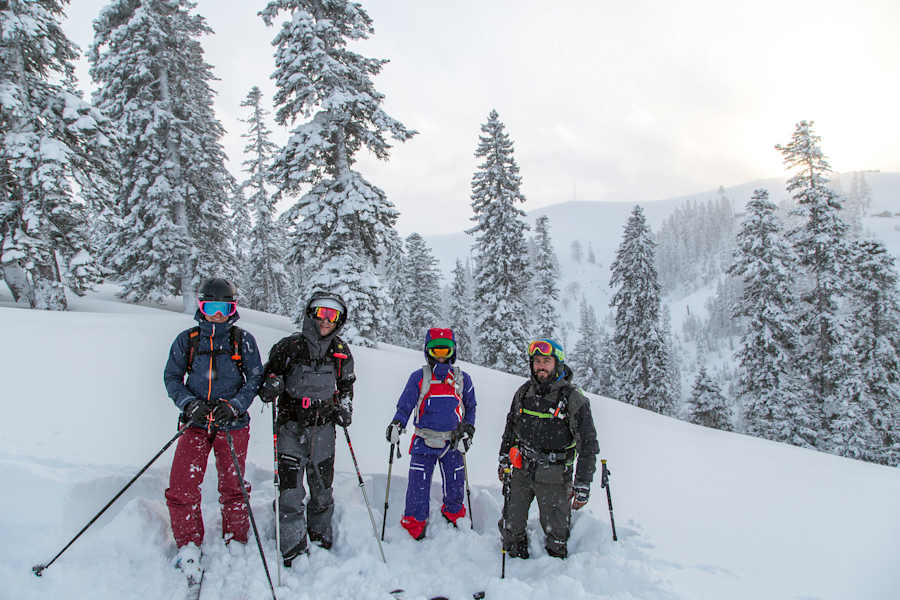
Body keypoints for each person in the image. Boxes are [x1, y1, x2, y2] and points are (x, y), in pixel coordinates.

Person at [163, 278, 264, 580]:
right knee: (182, 486)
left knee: (233, 485)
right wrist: (188, 403)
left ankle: (236, 538)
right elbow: (172, 377)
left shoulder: (242, 340)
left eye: (224, 308)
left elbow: (255, 379)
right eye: (211, 308)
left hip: (232, 424)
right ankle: (189, 544)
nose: (217, 314)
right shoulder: (189, 340)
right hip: (195, 423)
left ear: (232, 309)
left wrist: (234, 406)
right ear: (201, 307)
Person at [258, 292, 355, 566]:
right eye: (322, 313)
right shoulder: (289, 347)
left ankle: (319, 533)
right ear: (311, 314)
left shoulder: (340, 351)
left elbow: (346, 385)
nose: (326, 321)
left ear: (339, 320)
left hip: (323, 427)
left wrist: (345, 407)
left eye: (333, 316)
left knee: (322, 486)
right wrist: (272, 386)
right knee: (290, 489)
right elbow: (268, 379)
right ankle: (292, 543)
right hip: (291, 426)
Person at [498, 337, 599, 559]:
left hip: (555, 474)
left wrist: (583, 482)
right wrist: (504, 456)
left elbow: (588, 444)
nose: (540, 366)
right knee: (511, 527)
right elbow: (511, 427)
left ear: (557, 363)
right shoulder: (524, 393)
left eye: (546, 361)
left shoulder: (572, 399)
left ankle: (554, 572)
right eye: (537, 362)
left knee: (557, 536)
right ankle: (517, 562)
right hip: (522, 469)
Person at [386, 328, 477, 540]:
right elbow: (405, 406)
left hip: (452, 442)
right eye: (436, 351)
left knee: (456, 485)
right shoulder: (419, 377)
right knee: (417, 487)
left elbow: (471, 407)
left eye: (446, 350)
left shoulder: (462, 379)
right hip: (424, 441)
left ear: (453, 351)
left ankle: (454, 517)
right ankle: (414, 524)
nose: (441, 356)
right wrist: (397, 424)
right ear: (428, 352)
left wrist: (468, 430)